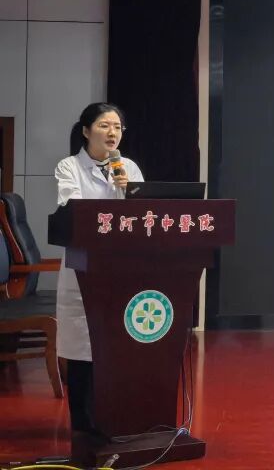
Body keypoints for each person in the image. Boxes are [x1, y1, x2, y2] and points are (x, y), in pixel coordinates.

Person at [54, 102, 144, 437]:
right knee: (83, 347)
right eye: (105, 125)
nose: (112, 133)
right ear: (86, 130)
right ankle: (83, 425)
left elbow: (143, 215)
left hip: (120, 267)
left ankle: (114, 417)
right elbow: (73, 209)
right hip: (83, 266)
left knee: (116, 345)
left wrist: (127, 189)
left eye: (118, 127)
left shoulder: (128, 167)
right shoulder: (69, 167)